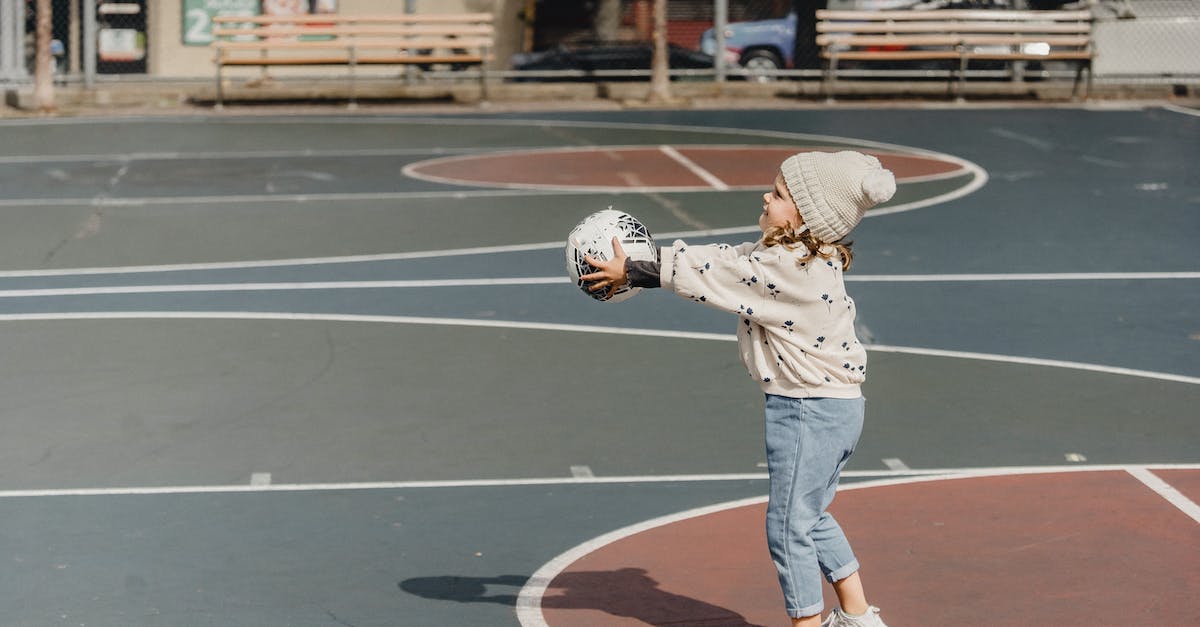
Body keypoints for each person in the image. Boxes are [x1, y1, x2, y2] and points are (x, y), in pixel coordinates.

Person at [582, 151, 895, 627]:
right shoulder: (796, 256)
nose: (766, 197)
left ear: (807, 218)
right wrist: (651, 261)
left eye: (780, 194)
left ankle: (808, 624)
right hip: (837, 408)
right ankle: (857, 615)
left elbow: (719, 277)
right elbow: (730, 260)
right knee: (809, 514)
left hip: (808, 410)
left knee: (787, 527)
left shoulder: (787, 269)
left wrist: (639, 270)